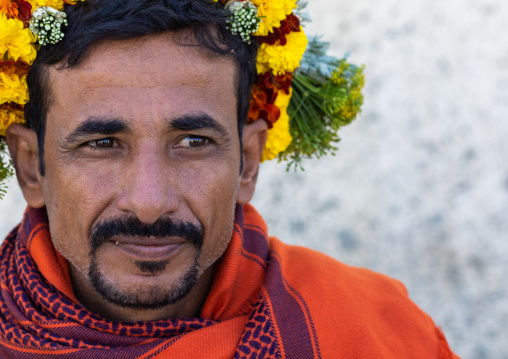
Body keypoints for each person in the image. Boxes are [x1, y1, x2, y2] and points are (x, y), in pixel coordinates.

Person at [0, 0, 460, 357]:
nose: (148, 202)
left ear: (249, 162)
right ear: (30, 166)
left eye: (193, 142)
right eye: (102, 144)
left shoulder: (375, 330)